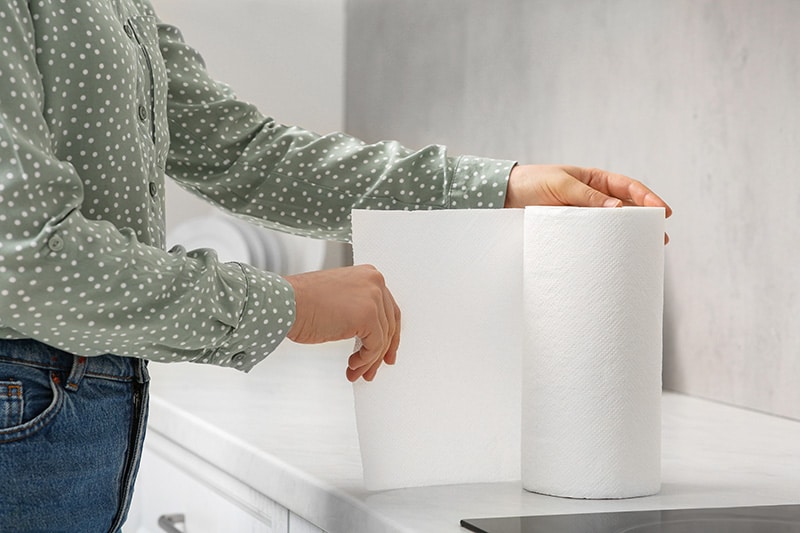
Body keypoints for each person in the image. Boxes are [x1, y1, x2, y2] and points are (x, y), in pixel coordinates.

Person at [0, 0, 671, 530]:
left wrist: (500, 187)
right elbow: (24, 257)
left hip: (78, 403)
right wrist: (285, 303)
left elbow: (249, 154)